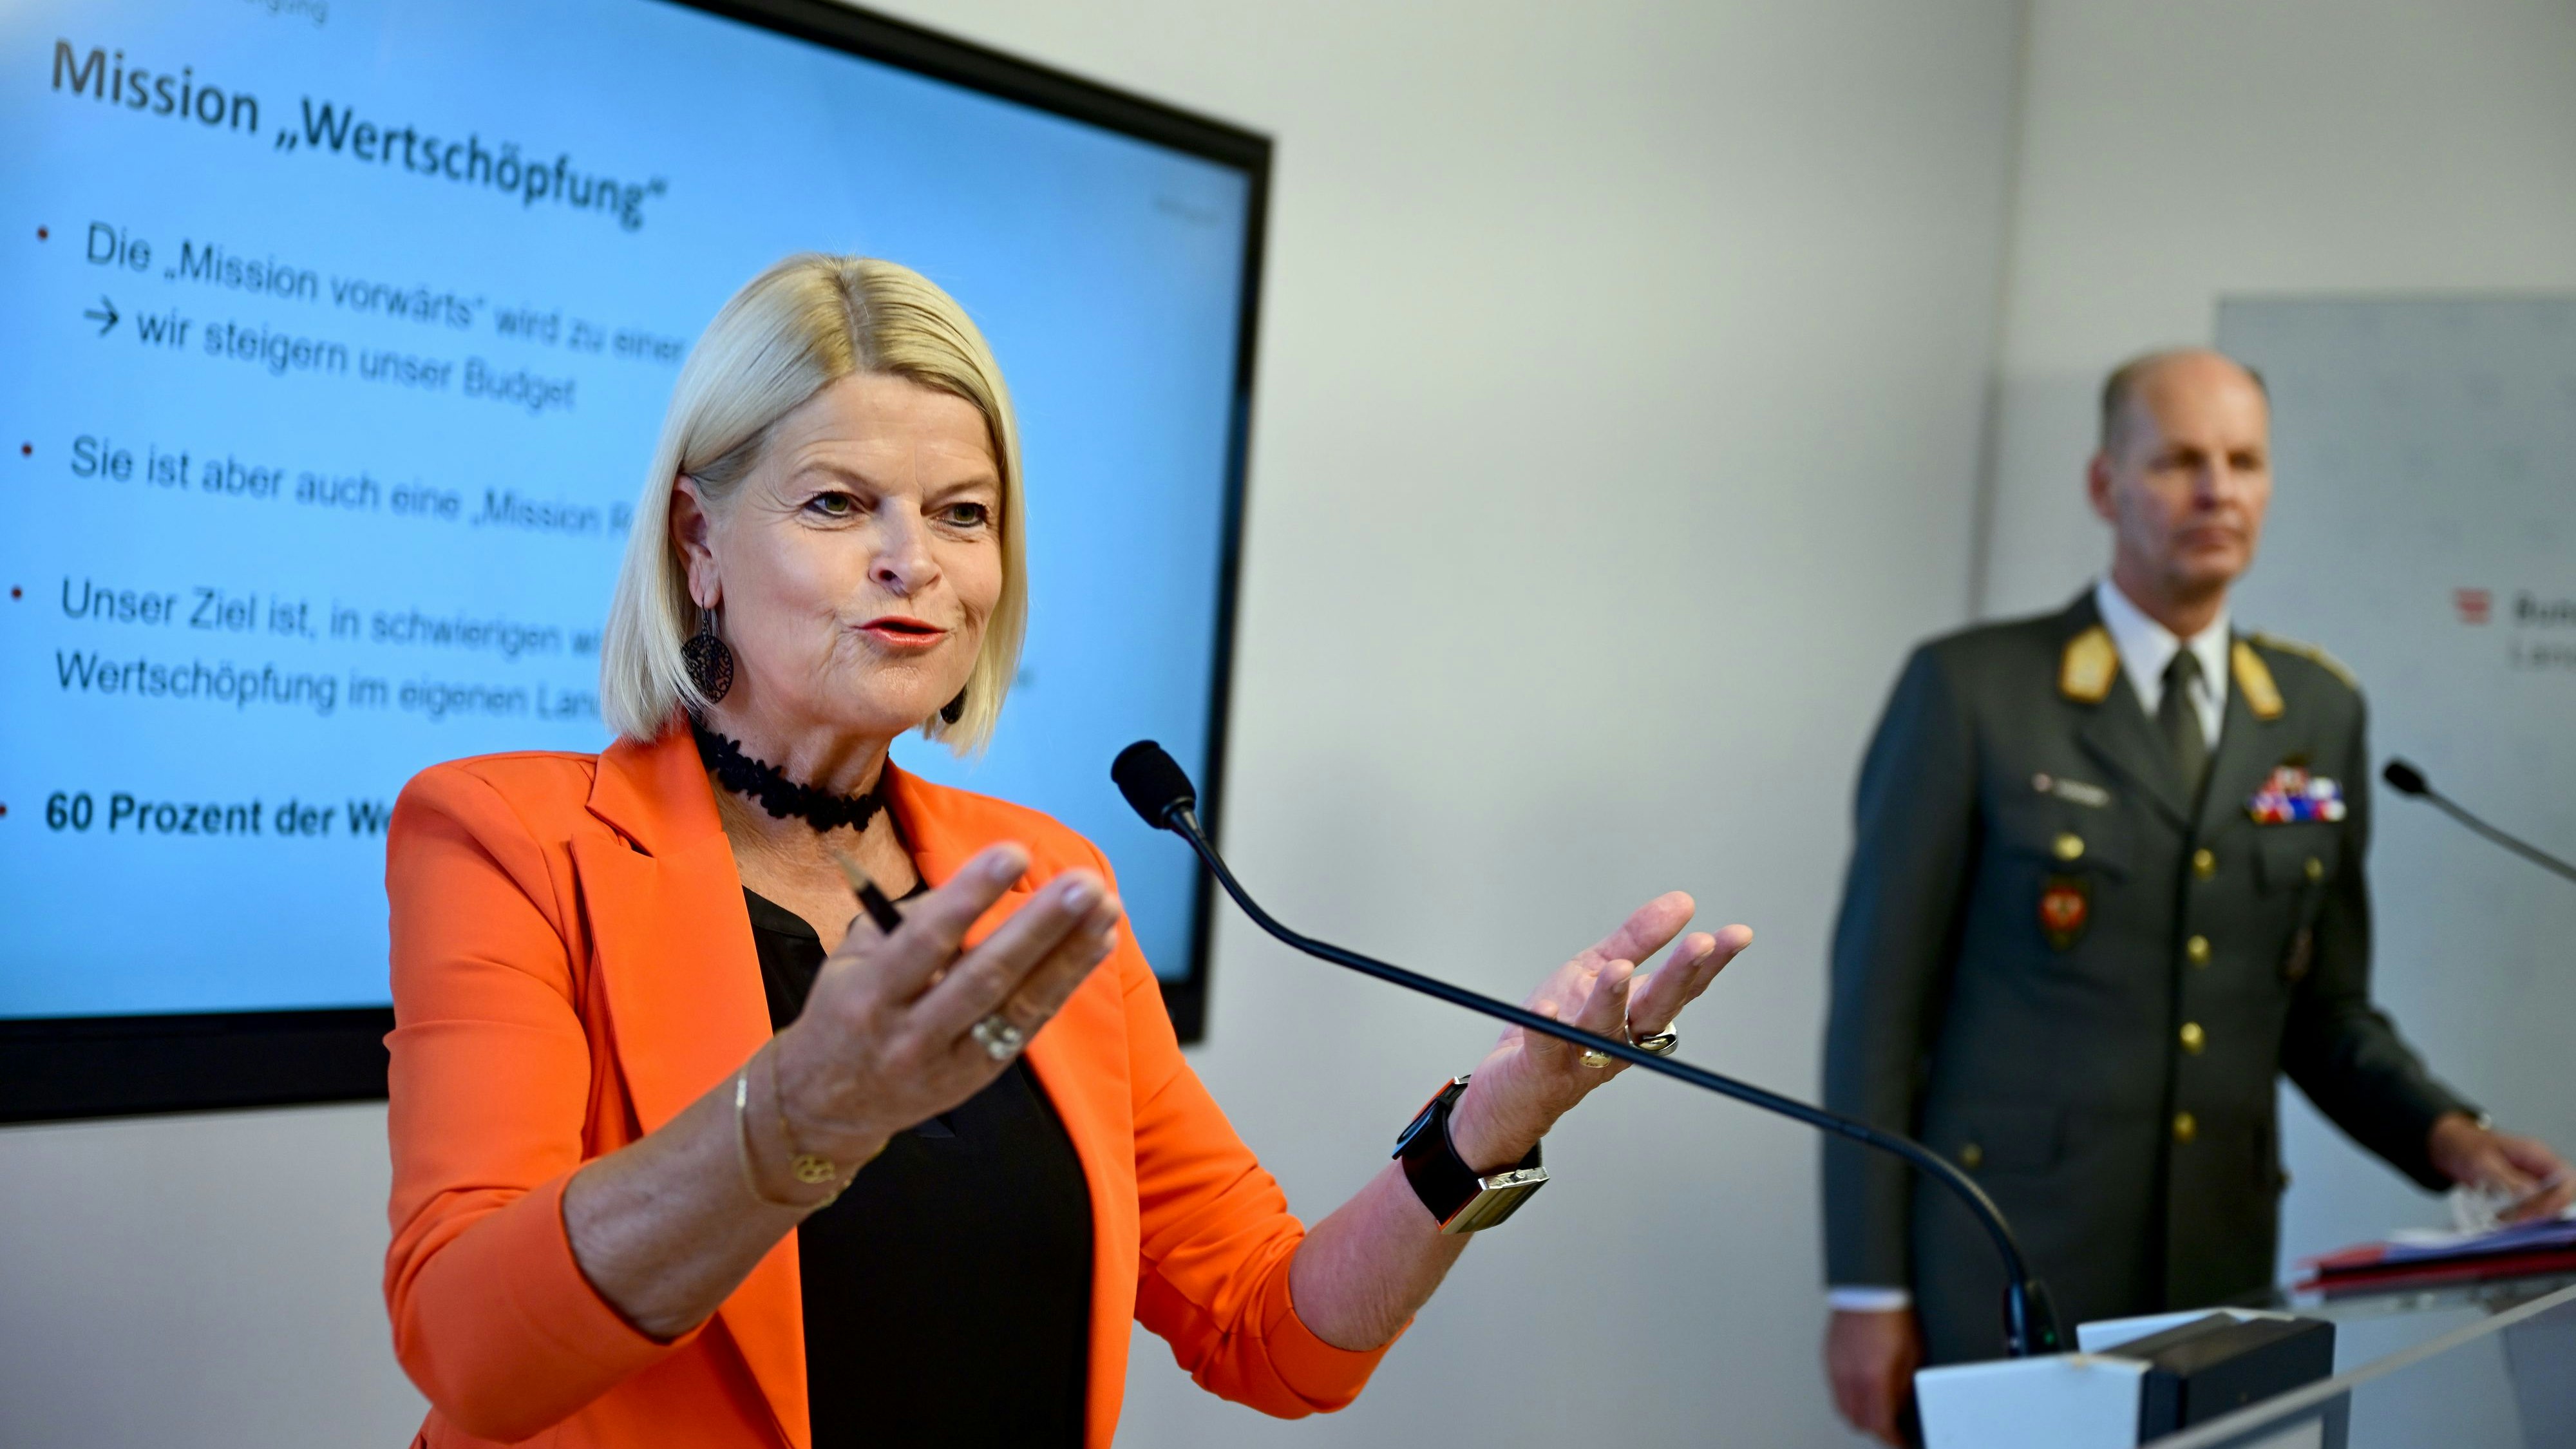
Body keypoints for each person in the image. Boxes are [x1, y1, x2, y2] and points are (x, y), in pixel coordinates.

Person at [381, 253, 1755, 1449]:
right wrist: (798, 1120)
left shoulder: (1044, 880)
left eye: (961, 513)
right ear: (697, 541)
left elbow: (1269, 1334)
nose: (912, 561)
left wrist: (1486, 1127)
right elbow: (476, 1358)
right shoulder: (509, 838)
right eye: (837, 505)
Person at [1815, 348, 2574, 1443]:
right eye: (2178, 460)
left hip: (2216, 1272)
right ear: (2103, 484)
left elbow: (2324, 1014)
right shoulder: (1974, 691)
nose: (2217, 489)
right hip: (2007, 1267)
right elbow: (1878, 1015)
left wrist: (2454, 1138)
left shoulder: (2315, 710)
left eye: (2244, 461)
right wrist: (1866, 1291)